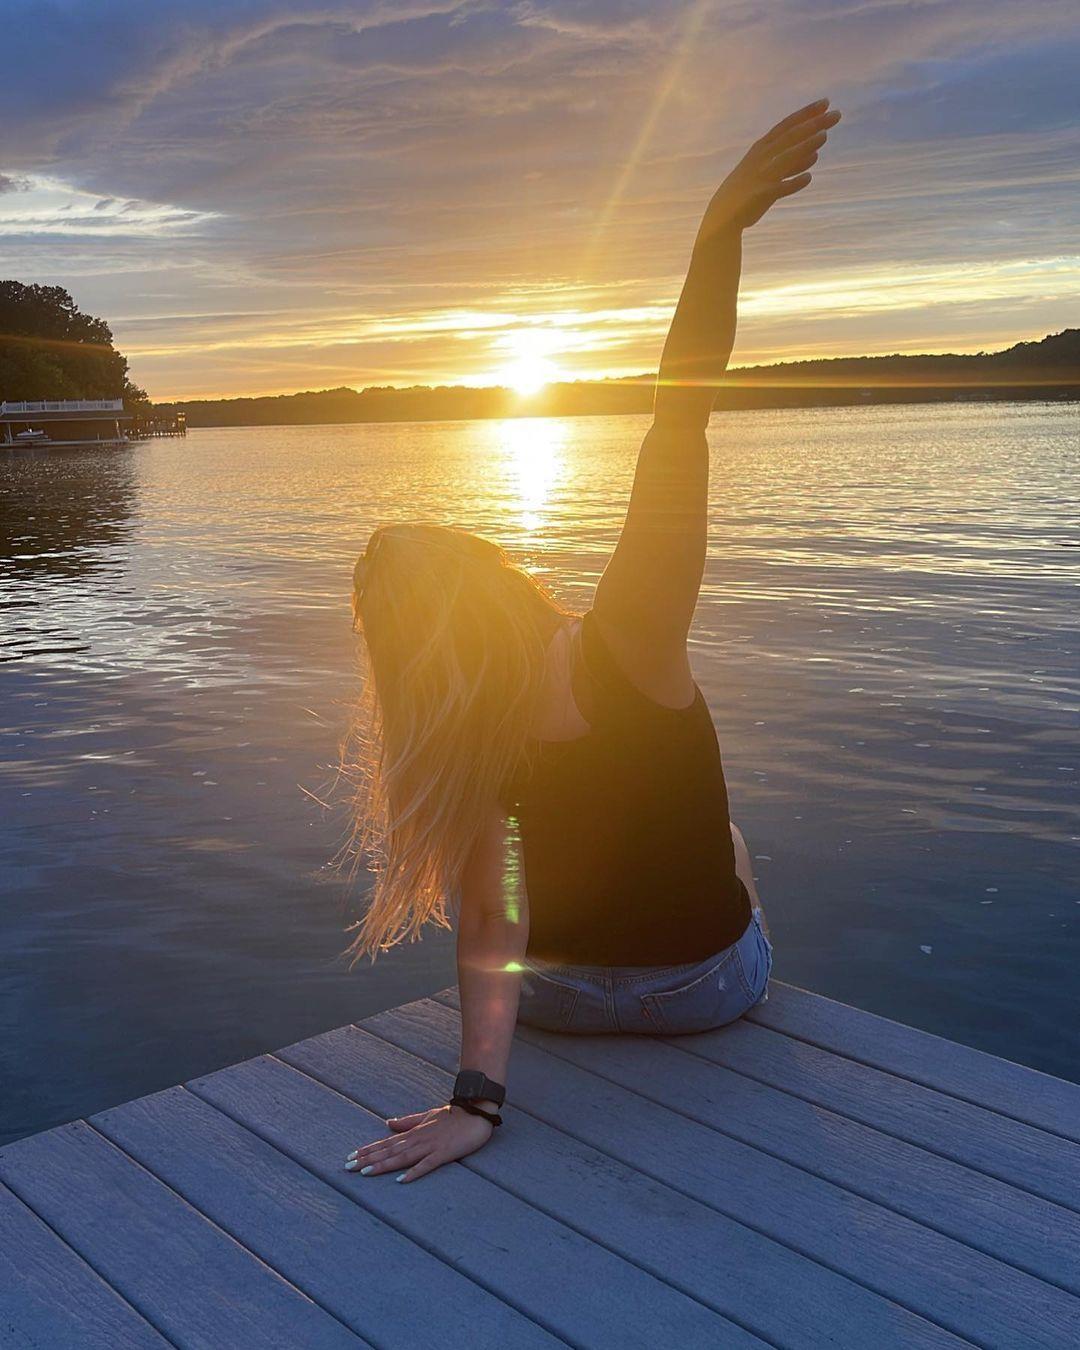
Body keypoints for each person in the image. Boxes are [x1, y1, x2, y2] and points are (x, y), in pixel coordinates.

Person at [343, 98, 841, 1183]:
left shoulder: (453, 732)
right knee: (737, 843)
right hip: (698, 997)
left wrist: (478, 1102)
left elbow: (490, 920)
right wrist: (717, 235)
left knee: (499, 866)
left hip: (557, 1003)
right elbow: (679, 424)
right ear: (499, 578)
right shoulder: (629, 643)